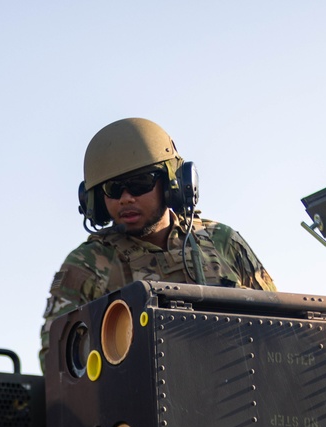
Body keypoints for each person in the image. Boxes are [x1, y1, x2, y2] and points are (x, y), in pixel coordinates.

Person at [40, 118, 275, 370]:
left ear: (172, 183)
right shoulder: (86, 263)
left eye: (140, 184)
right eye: (113, 189)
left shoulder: (223, 241)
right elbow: (55, 357)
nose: (126, 199)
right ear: (95, 201)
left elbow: (279, 325)